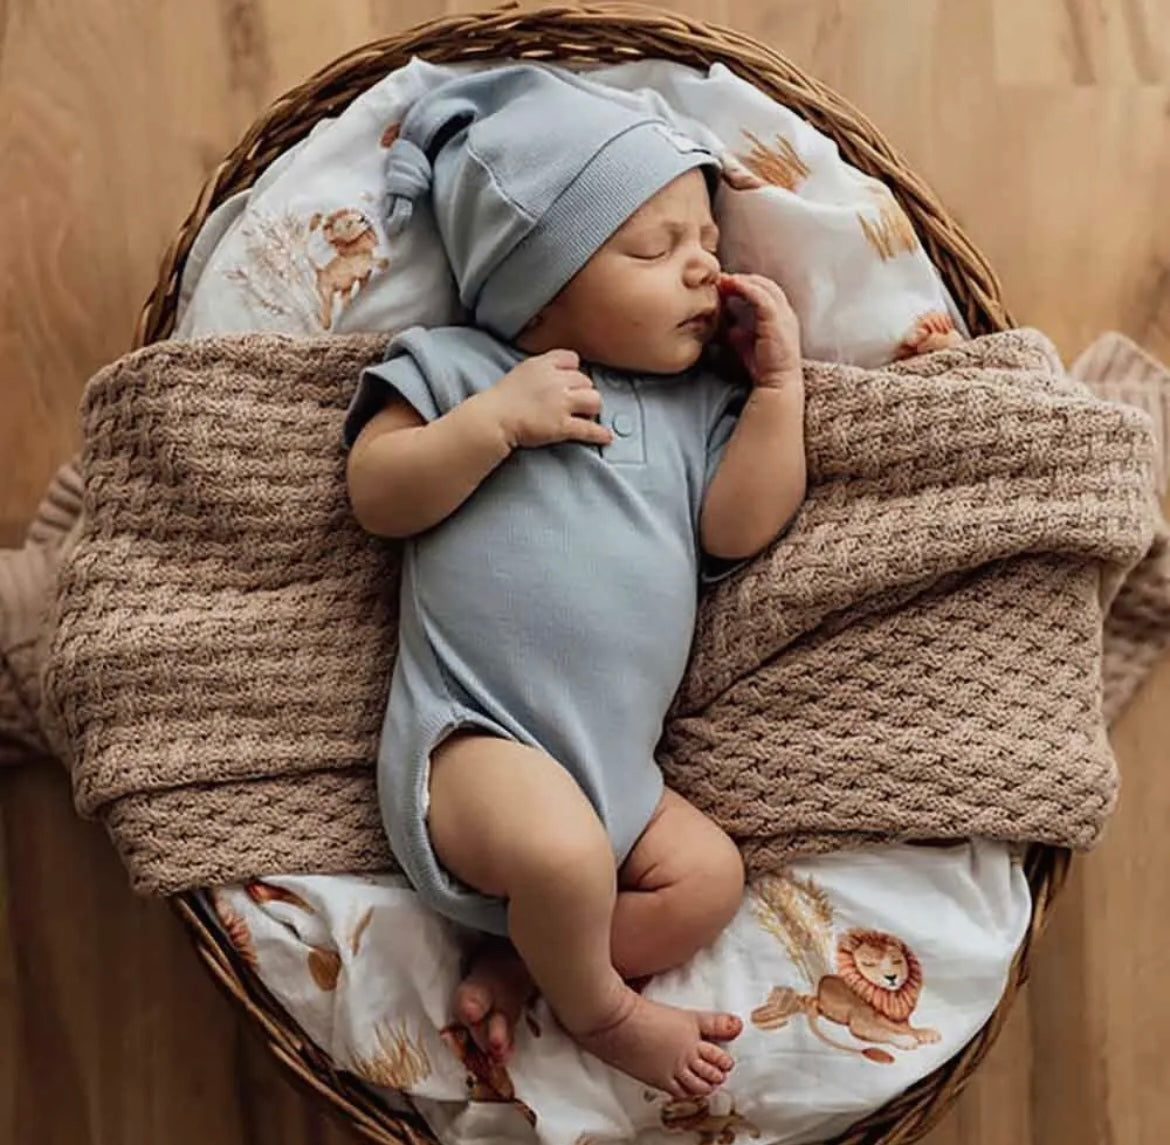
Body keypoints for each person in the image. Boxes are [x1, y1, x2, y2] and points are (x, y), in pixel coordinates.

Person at [344, 65, 806, 1099]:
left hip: (619, 775)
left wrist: (779, 392)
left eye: (709, 245)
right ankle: (605, 1011)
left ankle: (530, 962)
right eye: (655, 246)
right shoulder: (461, 367)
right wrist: (491, 424)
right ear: (536, 288)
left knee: (710, 879)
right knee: (562, 857)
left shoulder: (694, 413)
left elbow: (740, 523)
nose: (702, 270)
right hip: (477, 742)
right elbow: (377, 489)